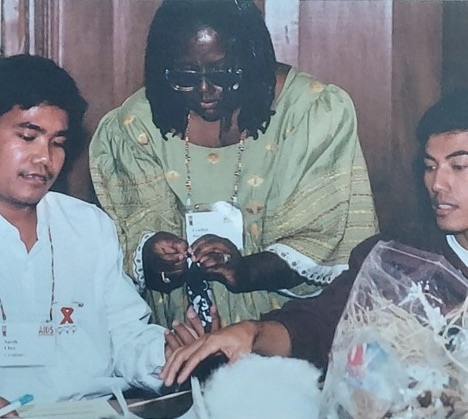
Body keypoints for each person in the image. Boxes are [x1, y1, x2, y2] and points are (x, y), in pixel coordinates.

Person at [89, 0, 378, 329]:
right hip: (181, 332)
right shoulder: (134, 126)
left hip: (288, 331)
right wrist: (154, 252)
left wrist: (246, 270)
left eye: (223, 74)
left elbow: (321, 237)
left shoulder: (312, 113)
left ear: (252, 60)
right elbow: (132, 232)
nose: (204, 91)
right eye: (185, 76)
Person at [159, 88, 468, 387]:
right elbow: (320, 324)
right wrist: (251, 334)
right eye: (430, 167)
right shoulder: (399, 259)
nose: (438, 183)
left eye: (459, 166)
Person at [0, 54, 168, 405]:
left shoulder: (87, 226)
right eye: (28, 137)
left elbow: (125, 335)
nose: (44, 158)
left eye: (57, 142)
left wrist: (170, 353)